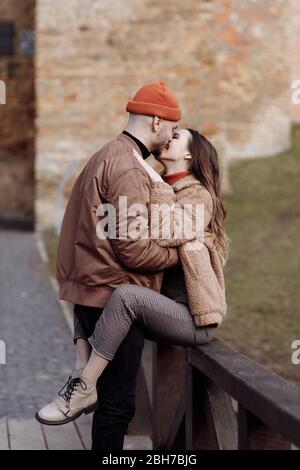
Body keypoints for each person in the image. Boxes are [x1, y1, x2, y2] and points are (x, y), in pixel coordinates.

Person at [36, 127, 229, 444]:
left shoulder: (198, 196)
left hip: (193, 320)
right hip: (163, 312)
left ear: (191, 155)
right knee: (96, 287)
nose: (169, 137)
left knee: (124, 296)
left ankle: (85, 385)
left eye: (177, 136)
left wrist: (153, 182)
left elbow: (166, 234)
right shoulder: (163, 187)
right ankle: (82, 373)